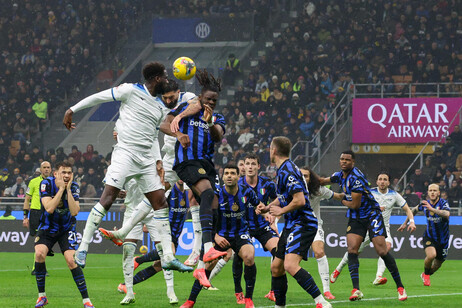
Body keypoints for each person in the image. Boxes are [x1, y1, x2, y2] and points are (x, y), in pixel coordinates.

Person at [62, 62, 186, 272]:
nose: (167, 78)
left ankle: (167, 256)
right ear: (157, 78)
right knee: (108, 198)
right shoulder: (130, 90)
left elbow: (152, 133)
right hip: (126, 154)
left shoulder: (161, 104)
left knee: (160, 202)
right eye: (164, 75)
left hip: (146, 158)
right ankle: (83, 248)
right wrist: (72, 109)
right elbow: (98, 97)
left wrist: (157, 161)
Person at [160, 69, 228, 281]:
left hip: (206, 165)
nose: (211, 102)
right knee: (207, 194)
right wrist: (179, 133)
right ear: (200, 97)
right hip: (187, 163)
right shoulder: (187, 108)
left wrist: (208, 122)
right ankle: (207, 248)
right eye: (208, 98)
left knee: (216, 211)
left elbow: (217, 136)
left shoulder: (217, 117)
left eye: (214, 100)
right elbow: (163, 124)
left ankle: (200, 266)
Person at [320, 151, 407, 301]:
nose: (344, 162)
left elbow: (354, 204)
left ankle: (400, 287)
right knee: (352, 250)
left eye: (347, 160)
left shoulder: (356, 178)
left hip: (372, 214)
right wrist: (307, 179)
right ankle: (356, 290)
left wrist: (339, 198)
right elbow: (324, 180)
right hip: (356, 217)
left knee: (382, 250)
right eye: (342, 159)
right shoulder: (339, 175)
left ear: (353, 162)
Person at [257, 136, 332, 308]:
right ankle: (280, 306)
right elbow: (285, 197)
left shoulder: (287, 170)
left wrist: (281, 211)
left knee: (290, 265)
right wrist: (268, 207)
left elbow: (300, 200)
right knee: (276, 267)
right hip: (292, 224)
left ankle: (321, 302)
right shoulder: (284, 169)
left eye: (270, 148)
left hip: (303, 223)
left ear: (273, 150)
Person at [180, 164, 260, 308]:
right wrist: (215, 236)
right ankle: (190, 301)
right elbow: (210, 218)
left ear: (238, 177)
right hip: (220, 235)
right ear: (223, 177)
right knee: (207, 267)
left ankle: (248, 299)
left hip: (240, 234)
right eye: (227, 173)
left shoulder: (246, 191)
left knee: (249, 256)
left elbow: (258, 205)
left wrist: (267, 214)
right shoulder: (216, 194)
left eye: (232, 173)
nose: (229, 176)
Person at [208, 153, 279, 303]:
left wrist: (273, 216)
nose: (251, 167)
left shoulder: (268, 184)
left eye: (254, 164)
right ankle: (238, 291)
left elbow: (279, 200)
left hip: (261, 225)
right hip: (243, 227)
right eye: (248, 164)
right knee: (240, 258)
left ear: (259, 166)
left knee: (278, 252)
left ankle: (274, 290)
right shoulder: (235, 184)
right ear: (243, 167)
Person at [330, 172, 416, 286]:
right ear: (377, 182)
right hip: (366, 227)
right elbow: (358, 204)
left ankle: (378, 277)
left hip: (382, 228)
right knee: (354, 252)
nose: (382, 181)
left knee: (386, 248)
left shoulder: (394, 195)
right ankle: (338, 270)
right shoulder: (370, 192)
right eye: (380, 179)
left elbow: (407, 209)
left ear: (388, 182)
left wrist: (412, 222)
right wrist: (374, 208)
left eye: (385, 179)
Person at [33, 162, 94, 308]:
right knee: (40, 254)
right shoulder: (46, 184)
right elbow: (49, 208)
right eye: (63, 172)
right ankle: (42, 297)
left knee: (71, 261)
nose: (66, 175)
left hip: (67, 229)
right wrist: (60, 189)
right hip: (47, 227)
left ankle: (86, 301)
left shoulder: (74, 187)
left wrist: (67, 190)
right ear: (56, 174)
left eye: (69, 173)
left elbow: (74, 211)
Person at [300, 166, 344, 300]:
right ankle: (274, 290)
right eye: (301, 175)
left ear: (310, 178)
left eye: (306, 176)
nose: (303, 178)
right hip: (296, 226)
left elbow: (337, 196)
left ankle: (326, 290)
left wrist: (350, 196)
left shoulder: (318, 190)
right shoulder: (291, 189)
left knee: (319, 252)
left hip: (314, 225)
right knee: (285, 258)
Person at [400, 184, 450, 286]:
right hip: (429, 236)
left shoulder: (443, 203)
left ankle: (426, 274)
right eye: (430, 190)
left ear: (438, 193)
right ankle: (426, 276)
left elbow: (447, 214)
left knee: (437, 265)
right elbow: (412, 210)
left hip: (443, 239)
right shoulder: (424, 204)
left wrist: (432, 209)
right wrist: (406, 222)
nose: (432, 192)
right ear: (427, 192)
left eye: (434, 191)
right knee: (431, 255)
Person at [23, 162, 52, 275]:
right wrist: (25, 216)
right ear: (40, 169)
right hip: (36, 213)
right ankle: (38, 268)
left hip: (48, 212)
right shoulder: (33, 182)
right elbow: (27, 199)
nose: (46, 169)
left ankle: (38, 268)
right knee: (38, 240)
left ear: (51, 169)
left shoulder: (53, 182)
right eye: (44, 167)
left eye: (48, 167)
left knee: (43, 240)